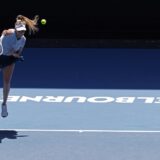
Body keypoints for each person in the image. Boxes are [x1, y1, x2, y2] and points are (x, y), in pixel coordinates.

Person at [0, 15, 39, 118]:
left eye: (23, 31)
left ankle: (4, 104)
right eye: (19, 30)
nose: (21, 33)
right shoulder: (9, 33)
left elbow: (18, 52)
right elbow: (4, 31)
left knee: (7, 82)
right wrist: (1, 39)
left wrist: (16, 55)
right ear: (15, 29)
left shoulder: (23, 39)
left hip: (9, 59)